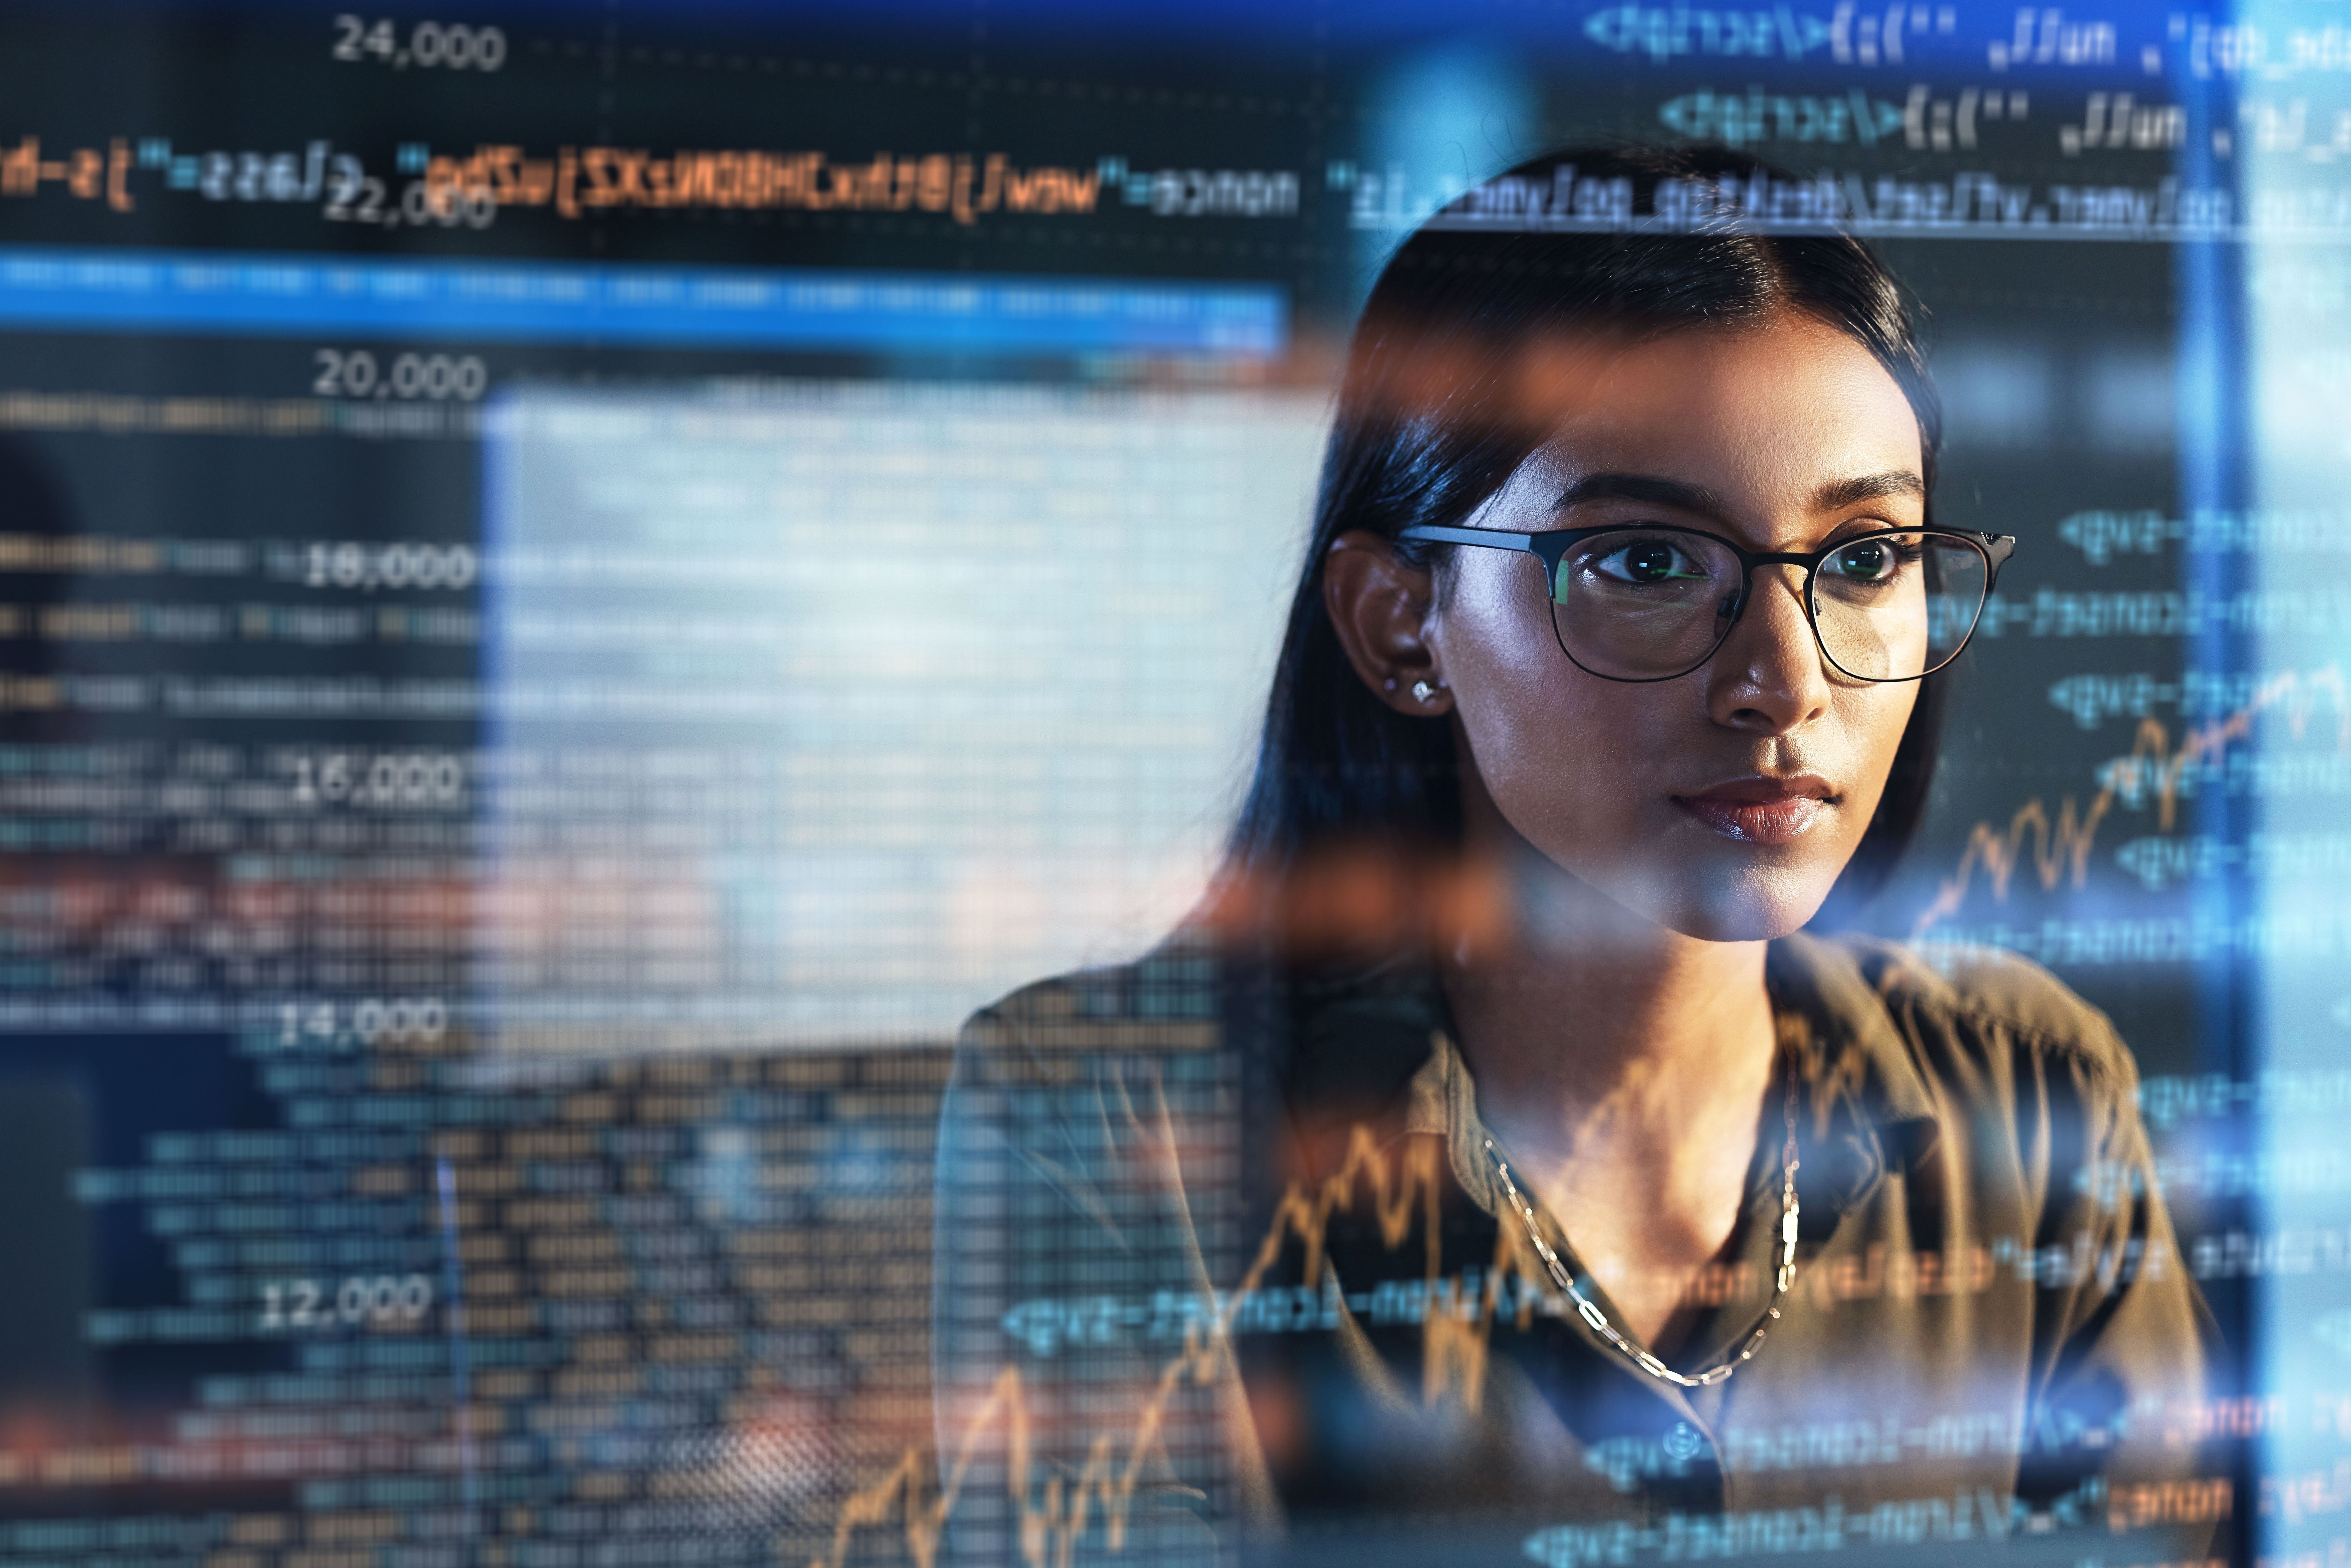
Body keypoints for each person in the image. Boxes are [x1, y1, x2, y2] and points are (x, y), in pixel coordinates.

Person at [931, 145, 2220, 1567]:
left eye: (1862, 559)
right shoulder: (1109, 1118)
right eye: (1651, 563)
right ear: (1398, 623)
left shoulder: (2031, 1099)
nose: (1786, 681)